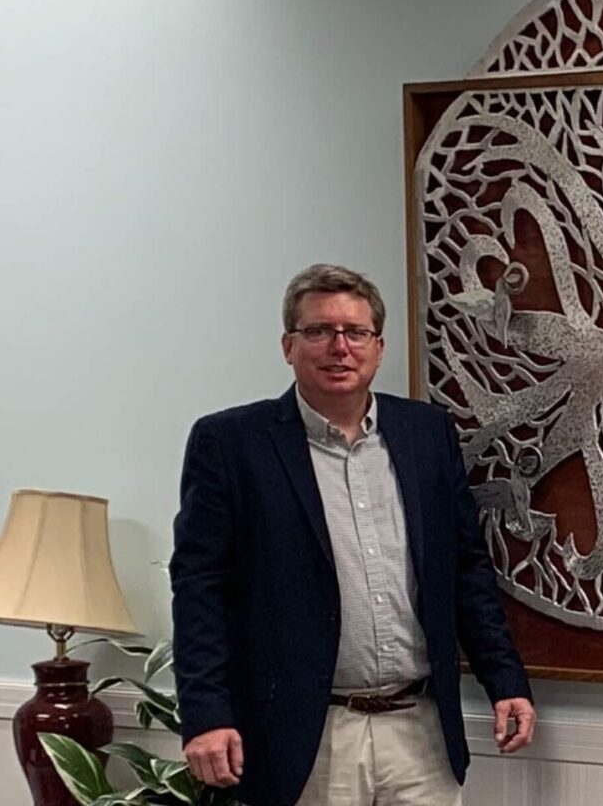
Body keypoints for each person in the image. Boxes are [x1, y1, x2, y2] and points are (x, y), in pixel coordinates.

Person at [170, 264, 535, 805]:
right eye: (319, 331)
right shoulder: (231, 444)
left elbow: (466, 570)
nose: (339, 346)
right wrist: (206, 715)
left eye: (355, 332)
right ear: (288, 345)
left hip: (420, 731)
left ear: (378, 347)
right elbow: (201, 589)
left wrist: (504, 680)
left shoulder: (426, 434)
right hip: (308, 735)